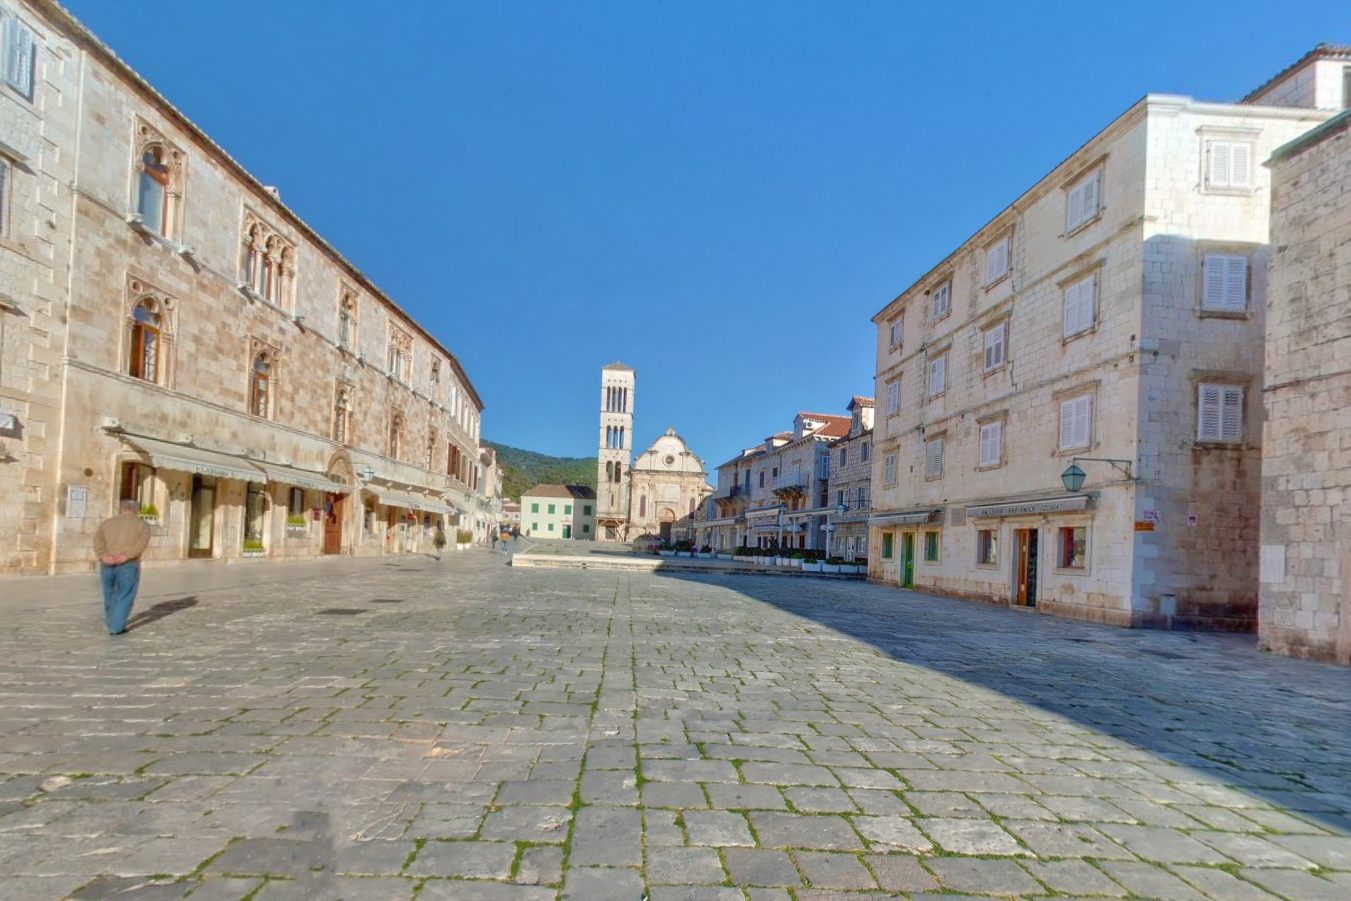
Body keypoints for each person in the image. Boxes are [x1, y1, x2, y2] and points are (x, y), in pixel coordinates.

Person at [93, 499, 152, 635]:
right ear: (137, 510)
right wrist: (127, 556)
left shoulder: (106, 523)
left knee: (109, 593)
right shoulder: (142, 525)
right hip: (128, 563)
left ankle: (111, 620)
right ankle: (116, 627)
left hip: (107, 563)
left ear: (120, 509)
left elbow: (97, 541)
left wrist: (103, 556)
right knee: (125, 594)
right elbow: (141, 544)